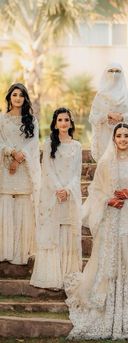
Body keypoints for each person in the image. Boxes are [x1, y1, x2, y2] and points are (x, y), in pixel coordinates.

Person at [64, 122, 128, 340]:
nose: (122, 139)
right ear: (114, 139)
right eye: (119, 136)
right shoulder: (105, 164)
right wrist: (109, 201)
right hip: (112, 219)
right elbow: (95, 191)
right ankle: (111, 304)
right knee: (114, 261)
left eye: (126, 136)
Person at [30, 108, 82, 289]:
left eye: (66, 119)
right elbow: (47, 170)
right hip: (53, 195)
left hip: (69, 196)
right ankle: (52, 275)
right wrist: (59, 189)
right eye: (60, 120)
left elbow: (77, 173)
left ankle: (68, 273)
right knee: (53, 231)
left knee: (67, 229)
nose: (63, 123)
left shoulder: (77, 146)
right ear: (55, 123)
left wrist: (67, 190)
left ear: (71, 123)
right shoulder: (48, 143)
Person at [0, 83, 40, 265]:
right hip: (4, 168)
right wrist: (10, 152)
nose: (17, 98)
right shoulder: (1, 119)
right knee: (6, 203)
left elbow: (32, 144)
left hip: (24, 168)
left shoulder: (31, 121)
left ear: (25, 99)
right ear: (9, 97)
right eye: (14, 94)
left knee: (23, 204)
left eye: (21, 95)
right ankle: (5, 251)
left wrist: (18, 159)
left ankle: (21, 253)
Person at [89, 62, 128, 161]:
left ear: (122, 74)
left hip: (124, 139)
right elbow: (93, 117)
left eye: (117, 71)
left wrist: (123, 117)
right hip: (105, 139)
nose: (114, 74)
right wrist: (107, 115)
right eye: (111, 71)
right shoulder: (100, 96)